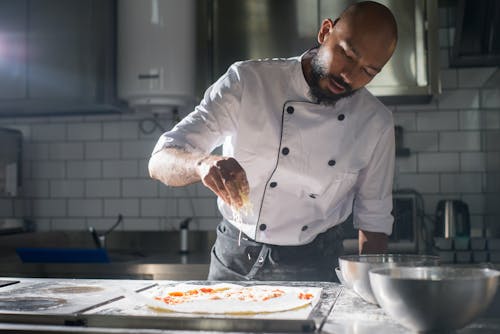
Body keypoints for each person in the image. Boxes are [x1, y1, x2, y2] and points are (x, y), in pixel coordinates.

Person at [149, 1, 398, 281]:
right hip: (235, 258)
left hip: (316, 265)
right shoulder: (248, 82)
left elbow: (374, 220)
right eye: (348, 56)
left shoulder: (375, 122)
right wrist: (202, 164)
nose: (349, 76)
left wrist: (371, 292)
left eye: (368, 72)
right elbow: (160, 160)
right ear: (325, 31)